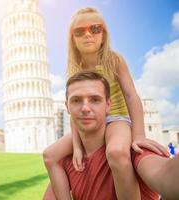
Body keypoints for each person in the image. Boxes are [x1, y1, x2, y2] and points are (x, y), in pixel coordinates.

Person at [43, 7, 168, 200]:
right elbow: (74, 114)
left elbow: (131, 96)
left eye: (95, 29)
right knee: (49, 155)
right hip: (88, 122)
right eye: (79, 31)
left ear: (104, 34)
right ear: (72, 39)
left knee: (117, 152)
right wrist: (76, 147)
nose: (88, 35)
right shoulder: (76, 70)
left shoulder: (114, 60)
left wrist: (139, 134)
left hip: (116, 118)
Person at [43, 71, 179, 200]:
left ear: (108, 105)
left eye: (95, 100)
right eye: (76, 100)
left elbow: (165, 174)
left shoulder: (133, 151)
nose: (85, 108)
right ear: (67, 106)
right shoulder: (68, 162)